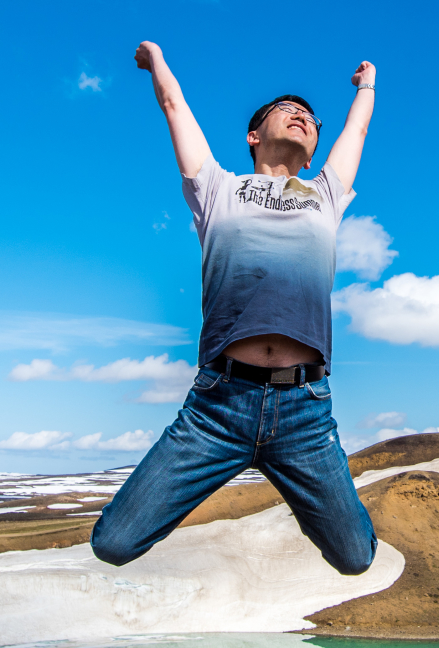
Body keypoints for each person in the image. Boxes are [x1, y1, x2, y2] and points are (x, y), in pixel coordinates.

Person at [90, 41, 378, 574]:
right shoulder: (217, 188)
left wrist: (367, 88)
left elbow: (356, 134)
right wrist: (156, 61)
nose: (302, 116)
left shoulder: (325, 196)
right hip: (217, 409)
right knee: (113, 542)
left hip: (304, 411)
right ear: (253, 135)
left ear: (314, 150)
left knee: (355, 557)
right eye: (286, 111)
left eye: (310, 118)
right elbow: (175, 107)